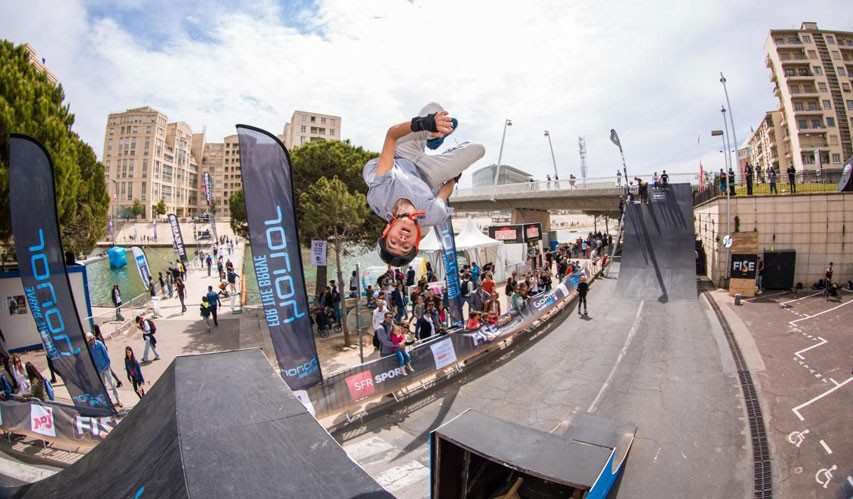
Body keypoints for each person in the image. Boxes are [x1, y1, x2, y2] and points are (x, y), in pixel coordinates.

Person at [364, 103, 485, 267]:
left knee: (433, 109)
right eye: (405, 246)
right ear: (416, 242)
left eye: (393, 242)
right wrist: (454, 176)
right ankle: (437, 139)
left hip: (399, 155)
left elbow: (391, 135)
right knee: (478, 149)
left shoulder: (381, 195)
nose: (402, 239)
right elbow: (444, 192)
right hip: (426, 175)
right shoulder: (433, 215)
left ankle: (432, 135)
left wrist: (424, 123)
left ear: (387, 231)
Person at [87, 333, 122, 408]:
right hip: (99, 370)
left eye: (92, 338)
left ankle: (118, 400)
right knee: (104, 387)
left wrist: (108, 364)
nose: (92, 340)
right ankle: (109, 402)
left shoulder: (99, 344)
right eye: (90, 340)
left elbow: (105, 354)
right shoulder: (89, 348)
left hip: (105, 367)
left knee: (112, 384)